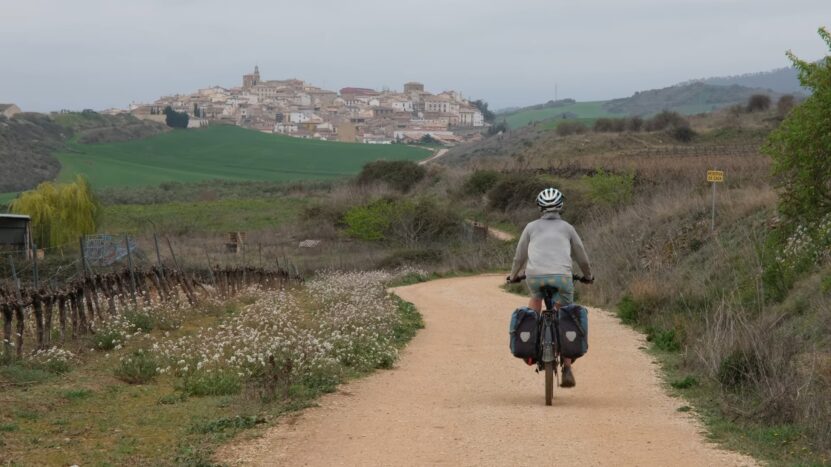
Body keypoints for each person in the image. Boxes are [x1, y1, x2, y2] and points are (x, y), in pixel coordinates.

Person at [507, 187, 593, 388]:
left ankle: (532, 338)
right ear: (560, 206)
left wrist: (513, 276)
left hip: (534, 276)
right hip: (563, 278)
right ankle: (568, 366)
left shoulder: (530, 227)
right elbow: (581, 256)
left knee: (535, 300)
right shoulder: (568, 228)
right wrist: (588, 276)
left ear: (540, 207)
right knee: (566, 311)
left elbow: (519, 256)